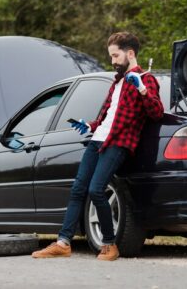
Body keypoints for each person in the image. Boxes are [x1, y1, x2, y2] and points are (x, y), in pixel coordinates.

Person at [32, 31, 164, 261]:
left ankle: (110, 244)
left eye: (115, 56)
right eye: (111, 56)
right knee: (78, 189)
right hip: (97, 139)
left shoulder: (146, 79)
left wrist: (142, 88)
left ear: (130, 53)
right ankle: (63, 243)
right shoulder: (117, 82)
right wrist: (90, 125)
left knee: (96, 189)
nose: (112, 61)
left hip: (118, 143)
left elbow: (156, 112)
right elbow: (108, 116)